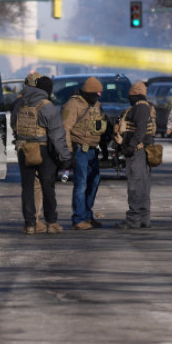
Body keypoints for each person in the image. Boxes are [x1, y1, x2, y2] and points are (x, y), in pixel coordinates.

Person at [11, 75, 71, 235]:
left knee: (27, 187)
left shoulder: (19, 103)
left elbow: (13, 125)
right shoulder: (48, 107)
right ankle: (52, 222)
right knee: (48, 186)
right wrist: (65, 157)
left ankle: (30, 224)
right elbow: (57, 135)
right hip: (43, 149)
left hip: (24, 149)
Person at [62, 77, 106, 230]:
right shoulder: (73, 104)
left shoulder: (96, 104)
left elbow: (99, 125)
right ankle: (78, 219)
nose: (98, 96)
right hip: (79, 150)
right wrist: (69, 152)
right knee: (81, 185)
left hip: (93, 150)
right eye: (96, 93)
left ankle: (88, 215)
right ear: (88, 92)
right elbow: (65, 128)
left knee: (93, 183)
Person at [114, 80, 155, 229]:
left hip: (137, 153)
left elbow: (140, 130)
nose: (129, 97)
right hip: (140, 152)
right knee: (143, 187)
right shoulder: (144, 107)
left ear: (136, 94)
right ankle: (143, 219)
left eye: (130, 95)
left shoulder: (141, 108)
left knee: (135, 187)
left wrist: (131, 146)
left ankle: (133, 220)